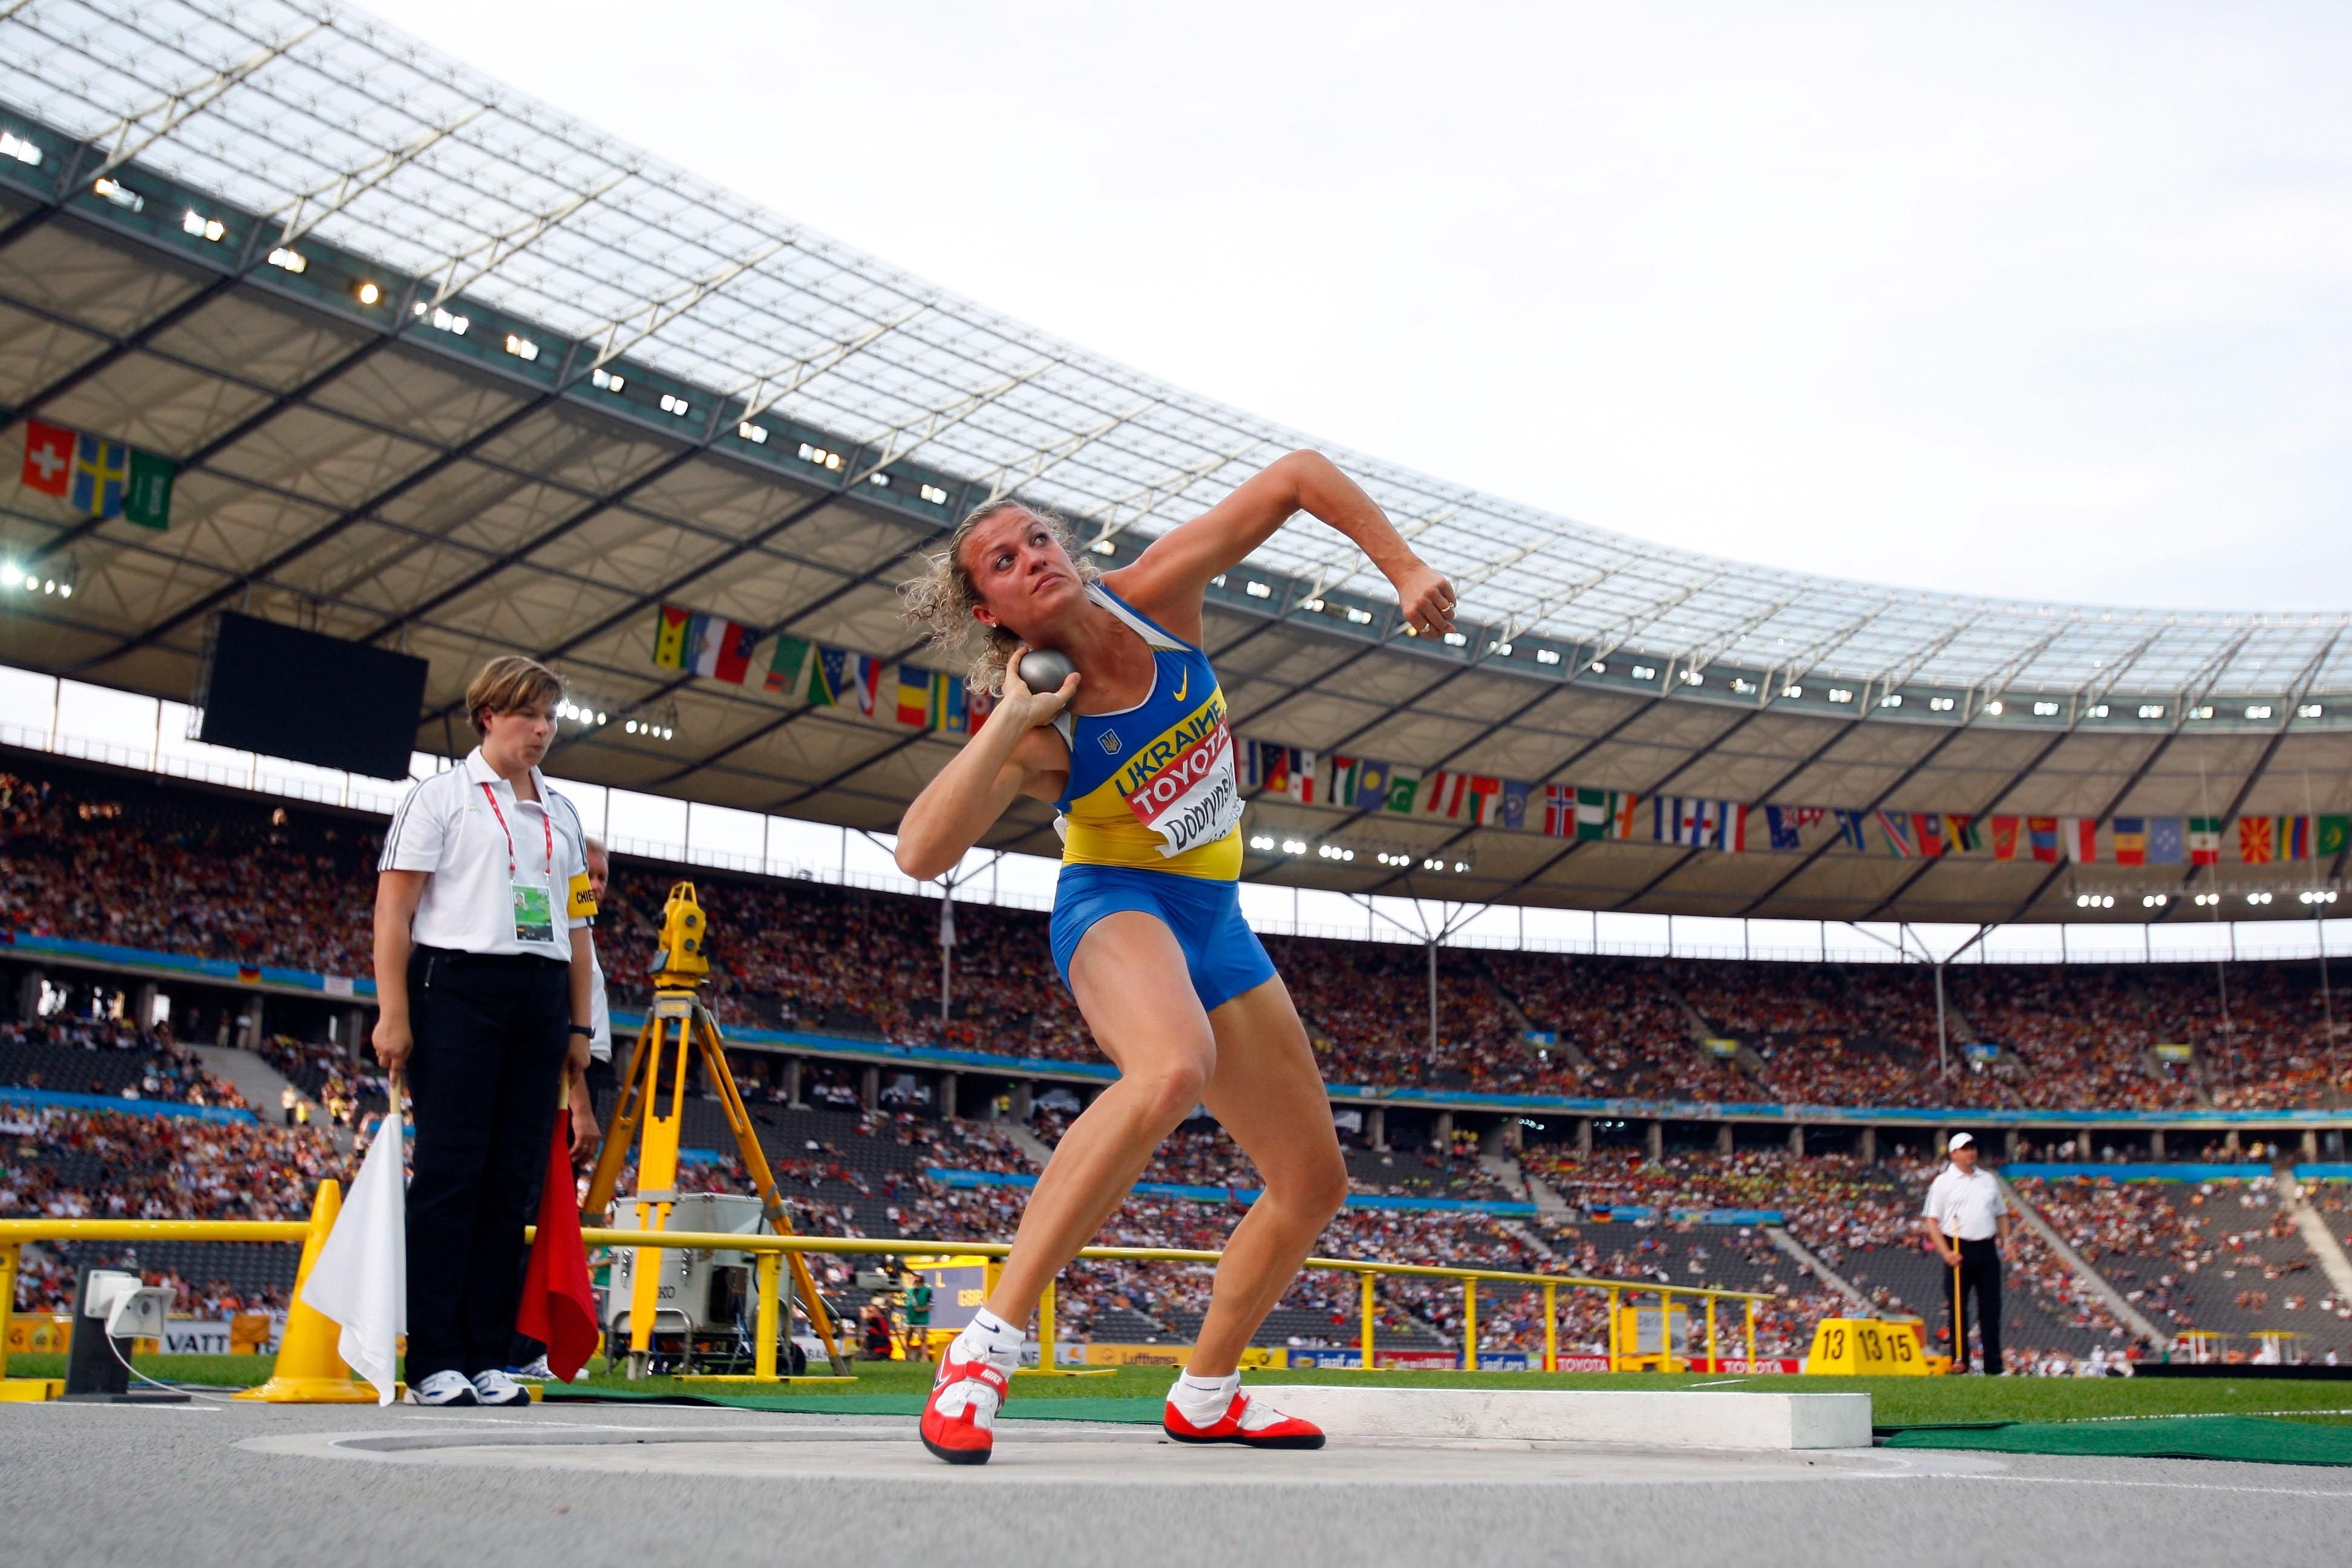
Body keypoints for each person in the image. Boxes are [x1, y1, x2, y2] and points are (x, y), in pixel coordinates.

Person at [894, 452, 1456, 1463]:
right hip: (1115, 905)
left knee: (1311, 1179)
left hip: (1214, 918)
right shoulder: (1038, 729)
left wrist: (1401, 568)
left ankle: (1206, 1391)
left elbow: (1293, 477)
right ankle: (981, 1348)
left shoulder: (1155, 596)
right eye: (1002, 564)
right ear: (989, 614)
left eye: (1036, 540)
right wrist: (1011, 721)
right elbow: (920, 851)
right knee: (1168, 1067)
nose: (1031, 560)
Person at [372, 656, 599, 1407]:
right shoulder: (438, 799)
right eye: (528, 715)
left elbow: (577, 925)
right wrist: (394, 1011)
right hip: (458, 986)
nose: (542, 730)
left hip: (539, 995)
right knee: (451, 1176)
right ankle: (434, 1356)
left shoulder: (562, 815)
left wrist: (578, 1027)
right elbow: (394, 913)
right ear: (488, 716)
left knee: (510, 1188)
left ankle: (488, 1354)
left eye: (551, 717)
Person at [1921, 1131, 2010, 1375]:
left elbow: (2001, 1214)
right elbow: (1931, 1221)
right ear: (1954, 1153)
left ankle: (1994, 1365)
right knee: (1959, 1308)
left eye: (1973, 1147)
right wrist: (1946, 1252)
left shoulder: (1988, 1179)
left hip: (1986, 1246)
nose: (1971, 1152)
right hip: (1959, 1246)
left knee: (1991, 1309)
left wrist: (2007, 1241)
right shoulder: (1943, 1182)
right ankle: (1960, 1360)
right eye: (1965, 1148)